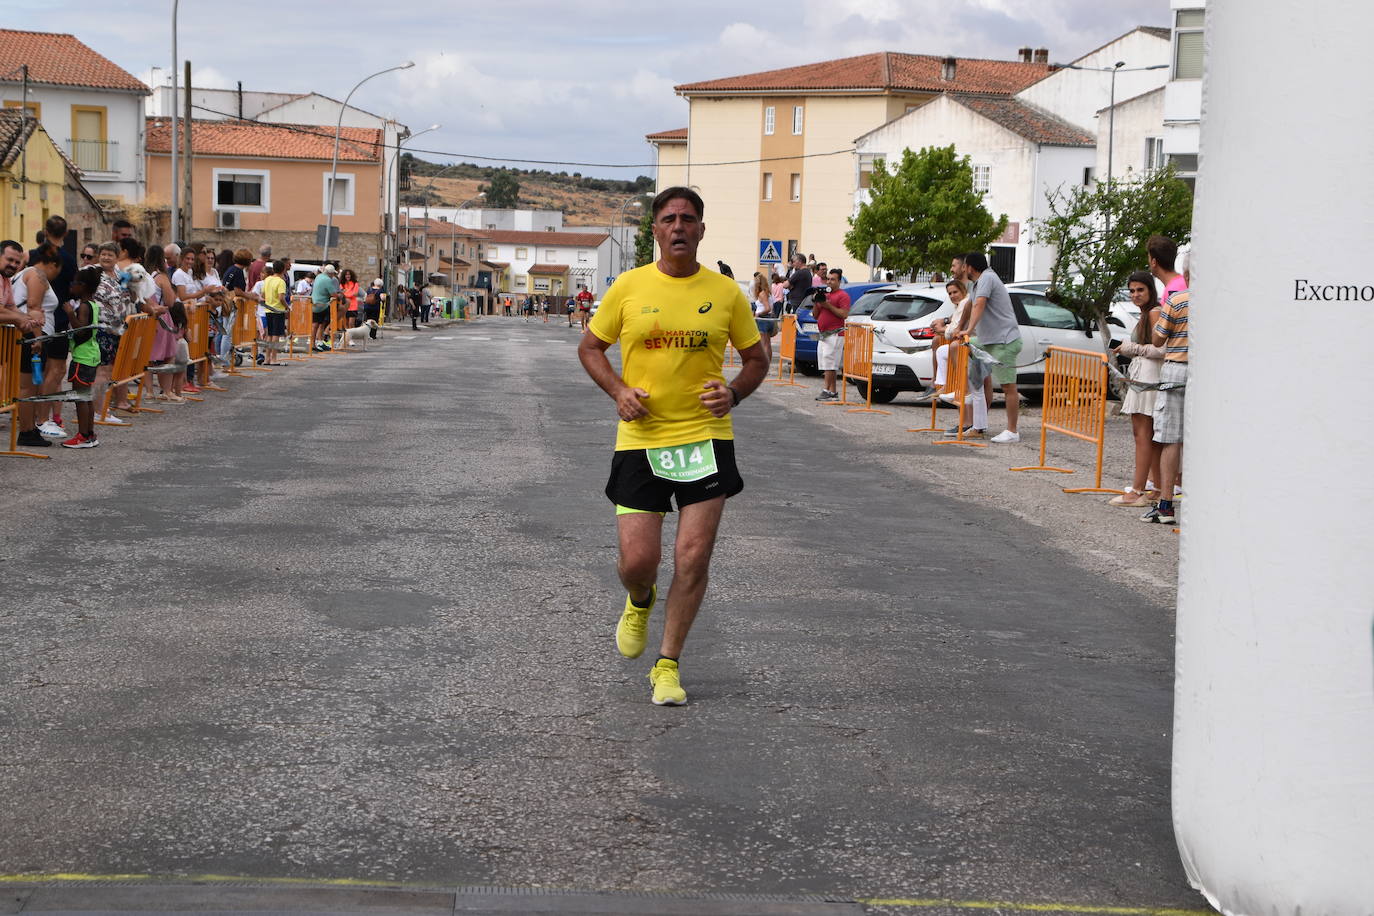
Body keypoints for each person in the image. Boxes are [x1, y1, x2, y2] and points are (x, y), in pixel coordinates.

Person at [577, 186, 768, 707]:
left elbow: (756, 360)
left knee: (693, 556)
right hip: (641, 438)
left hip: (705, 438)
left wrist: (731, 391)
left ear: (702, 229)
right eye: (669, 219)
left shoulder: (726, 293)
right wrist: (619, 391)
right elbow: (591, 347)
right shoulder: (629, 287)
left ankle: (667, 664)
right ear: (656, 231)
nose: (679, 227)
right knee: (639, 561)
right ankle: (640, 598)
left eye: (688, 219)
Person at [1143, 238, 1189, 525]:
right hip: (1205, 373)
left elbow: (1158, 338)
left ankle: (1166, 505)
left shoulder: (1176, 299)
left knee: (1170, 439)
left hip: (1176, 369)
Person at [1110, 271, 1165, 508]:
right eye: (1132, 291)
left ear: (1151, 290)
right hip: (1143, 378)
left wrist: (1131, 348)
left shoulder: (1154, 312)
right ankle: (1155, 487)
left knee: (1142, 436)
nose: (1135, 295)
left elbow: (1160, 350)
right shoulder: (1146, 314)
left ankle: (1137, 490)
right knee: (1147, 437)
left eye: (1140, 290)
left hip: (1148, 380)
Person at [956, 251, 1022, 443]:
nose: (961, 269)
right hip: (988, 341)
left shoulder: (987, 278)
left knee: (1009, 386)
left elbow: (979, 305)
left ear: (970, 267)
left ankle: (1012, 431)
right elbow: (969, 305)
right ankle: (973, 406)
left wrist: (968, 329)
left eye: (963, 266)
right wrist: (959, 328)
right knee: (958, 348)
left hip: (1004, 341)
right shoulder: (977, 283)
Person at [11, 243, 63, 445]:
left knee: (31, 385)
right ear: (53, 264)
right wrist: (38, 338)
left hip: (27, 335)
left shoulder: (24, 274)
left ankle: (30, 428)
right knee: (28, 387)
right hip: (30, 336)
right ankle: (26, 432)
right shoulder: (37, 275)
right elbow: (34, 307)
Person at [59, 266, 103, 449]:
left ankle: (83, 435)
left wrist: (70, 312)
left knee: (80, 397)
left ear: (83, 286)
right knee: (87, 396)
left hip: (83, 356)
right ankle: (90, 433)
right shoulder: (93, 304)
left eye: (74, 284)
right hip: (91, 355)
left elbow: (81, 330)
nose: (71, 287)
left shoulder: (84, 306)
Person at [925, 278, 969, 405]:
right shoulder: (960, 305)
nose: (952, 296)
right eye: (950, 293)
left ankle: (957, 387)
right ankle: (944, 384)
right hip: (964, 342)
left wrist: (942, 330)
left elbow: (955, 329)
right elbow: (954, 324)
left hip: (970, 343)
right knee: (941, 350)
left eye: (955, 292)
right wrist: (943, 328)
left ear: (963, 291)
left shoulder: (964, 303)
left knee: (944, 348)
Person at [812, 269, 849, 400]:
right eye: (828, 279)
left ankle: (826, 390)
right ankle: (833, 392)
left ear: (839, 281)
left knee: (830, 363)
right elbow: (816, 316)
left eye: (832, 279)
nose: (829, 282)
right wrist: (816, 302)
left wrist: (828, 306)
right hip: (823, 334)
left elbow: (844, 314)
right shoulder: (824, 295)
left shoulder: (842, 295)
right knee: (826, 363)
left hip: (835, 334)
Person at [257, 261, 288, 365]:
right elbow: (281, 298)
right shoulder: (281, 281)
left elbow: (263, 295)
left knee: (269, 334)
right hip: (278, 310)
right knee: (276, 335)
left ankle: (267, 358)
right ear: (283, 269)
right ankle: (274, 358)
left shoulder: (268, 280)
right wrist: (287, 307)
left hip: (268, 310)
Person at [310, 264, 340, 351]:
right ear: (330, 273)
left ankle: (314, 343)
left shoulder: (319, 276)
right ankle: (321, 340)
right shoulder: (327, 280)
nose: (333, 276)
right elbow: (334, 294)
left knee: (315, 325)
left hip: (314, 303)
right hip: (323, 305)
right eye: (333, 274)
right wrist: (341, 296)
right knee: (322, 324)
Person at [749, 271, 774, 363]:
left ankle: (764, 363)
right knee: (767, 343)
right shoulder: (768, 293)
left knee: (764, 343)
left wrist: (758, 314)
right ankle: (767, 362)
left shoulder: (762, 293)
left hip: (763, 319)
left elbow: (767, 308)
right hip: (769, 319)